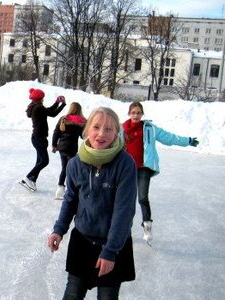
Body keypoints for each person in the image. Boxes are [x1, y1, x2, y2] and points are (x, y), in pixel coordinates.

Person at [47, 107, 137, 300]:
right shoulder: (75, 164)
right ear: (87, 129)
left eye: (109, 129)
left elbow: (124, 211)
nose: (101, 134)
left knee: (107, 296)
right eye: (96, 127)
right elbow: (70, 201)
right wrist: (59, 229)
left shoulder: (125, 164)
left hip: (113, 244)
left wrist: (111, 250)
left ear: (116, 134)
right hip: (82, 241)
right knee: (72, 294)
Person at [122, 101, 199, 244]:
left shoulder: (150, 128)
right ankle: (124, 227)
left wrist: (187, 141)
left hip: (144, 167)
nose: (136, 115)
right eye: (133, 112)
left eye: (138, 112)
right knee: (126, 200)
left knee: (143, 198)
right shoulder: (122, 128)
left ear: (142, 114)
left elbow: (168, 137)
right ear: (129, 114)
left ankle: (147, 225)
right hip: (127, 169)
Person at [19, 88, 66, 192]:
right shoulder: (38, 107)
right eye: (42, 98)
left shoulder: (35, 106)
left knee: (39, 161)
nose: (43, 99)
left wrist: (57, 102)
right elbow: (53, 113)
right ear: (39, 98)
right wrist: (63, 104)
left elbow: (48, 110)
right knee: (44, 161)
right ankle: (27, 177)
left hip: (38, 137)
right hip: (39, 137)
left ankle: (32, 180)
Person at [51, 102, 86, 199]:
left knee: (64, 167)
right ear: (79, 110)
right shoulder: (81, 121)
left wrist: (54, 144)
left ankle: (60, 189)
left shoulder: (63, 119)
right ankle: (73, 190)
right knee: (71, 169)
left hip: (62, 146)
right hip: (72, 147)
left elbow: (56, 132)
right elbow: (83, 136)